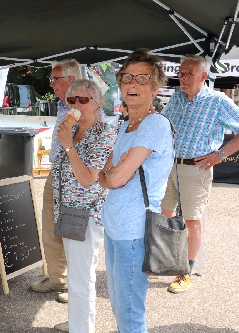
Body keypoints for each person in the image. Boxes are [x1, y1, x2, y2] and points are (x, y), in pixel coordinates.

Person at [99, 49, 174, 332]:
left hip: (134, 231)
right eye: (127, 77)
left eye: (142, 78)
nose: (133, 84)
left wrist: (113, 175)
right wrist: (112, 174)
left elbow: (114, 178)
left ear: (155, 87)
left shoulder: (155, 124)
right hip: (114, 225)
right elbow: (107, 174)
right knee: (119, 305)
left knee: (130, 313)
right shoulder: (125, 125)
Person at [161, 54, 239, 293]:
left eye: (188, 73)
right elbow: (162, 125)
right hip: (169, 166)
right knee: (164, 215)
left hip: (196, 167)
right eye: (181, 73)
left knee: (192, 221)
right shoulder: (176, 98)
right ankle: (167, 262)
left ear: (204, 76)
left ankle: (186, 270)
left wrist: (220, 154)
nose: (182, 78)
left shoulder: (218, 101)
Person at [53, 80, 116, 332]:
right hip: (68, 211)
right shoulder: (75, 128)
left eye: (83, 100)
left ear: (98, 103)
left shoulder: (103, 133)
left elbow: (89, 178)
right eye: (72, 100)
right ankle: (77, 321)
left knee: (82, 280)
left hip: (86, 213)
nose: (76, 105)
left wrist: (67, 144)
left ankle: (83, 328)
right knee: (76, 277)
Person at [30, 59, 80, 303]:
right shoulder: (62, 105)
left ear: (71, 80)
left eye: (55, 79)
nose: (51, 83)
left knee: (73, 230)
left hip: (75, 178)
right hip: (56, 173)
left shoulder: (87, 104)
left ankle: (76, 285)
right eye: (51, 78)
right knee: (50, 227)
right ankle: (57, 278)